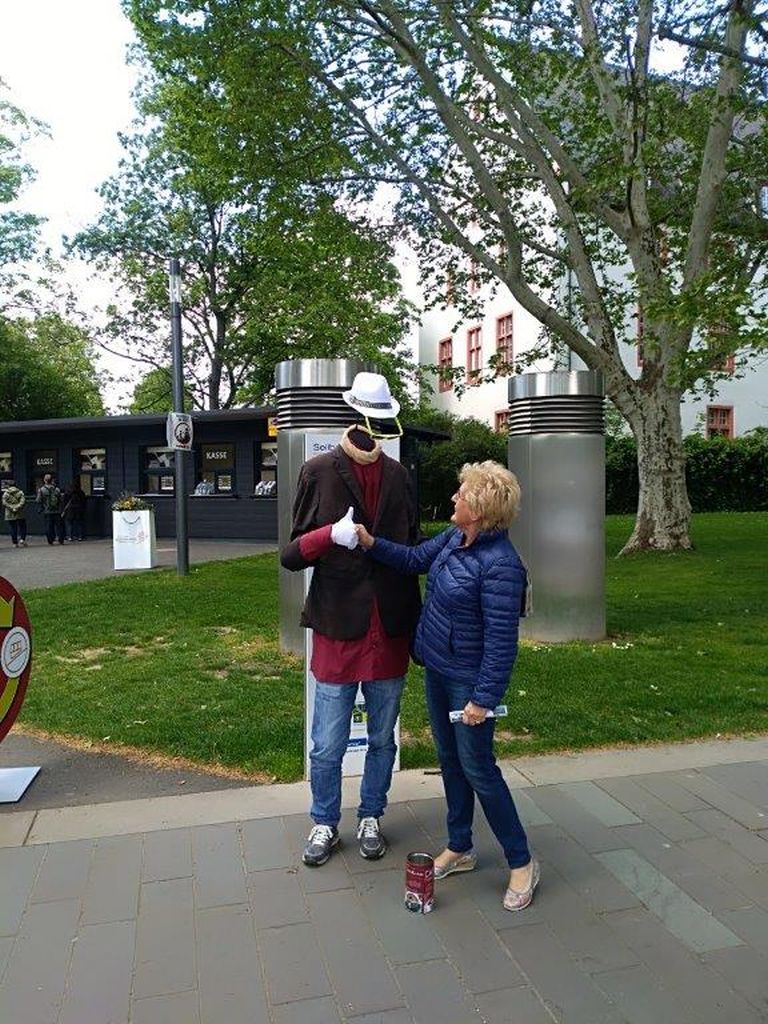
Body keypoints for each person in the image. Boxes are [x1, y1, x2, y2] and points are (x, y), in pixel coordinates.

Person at [355, 461, 539, 911]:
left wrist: (483, 699)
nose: (454, 497)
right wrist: (371, 543)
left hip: (469, 682)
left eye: (462, 494)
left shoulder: (501, 565)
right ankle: (460, 847)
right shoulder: (455, 537)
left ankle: (521, 862)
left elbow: (502, 642)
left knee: (479, 768)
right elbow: (414, 560)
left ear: (480, 508)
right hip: (438, 670)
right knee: (450, 761)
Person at [280, 371, 421, 867]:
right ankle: (324, 821)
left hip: (390, 628)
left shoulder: (400, 476)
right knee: (326, 744)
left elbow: (413, 549)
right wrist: (327, 537)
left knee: (382, 738)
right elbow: (291, 555)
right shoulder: (318, 471)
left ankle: (371, 815)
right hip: (339, 627)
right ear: (356, 415)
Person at [37, 474, 66, 545]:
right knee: (59, 526)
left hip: (47, 511)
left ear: (44, 480)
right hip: (57, 511)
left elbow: (38, 500)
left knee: (49, 526)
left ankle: (50, 540)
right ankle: (61, 539)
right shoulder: (57, 489)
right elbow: (61, 500)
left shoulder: (41, 490)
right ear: (51, 480)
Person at [2, 480, 28, 547]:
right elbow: (23, 501)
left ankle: (15, 543)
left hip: (10, 513)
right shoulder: (20, 492)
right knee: (22, 526)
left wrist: (11, 507)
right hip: (20, 512)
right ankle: (22, 539)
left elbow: (4, 503)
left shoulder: (6, 494)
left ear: (8, 486)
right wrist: (17, 507)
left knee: (13, 527)